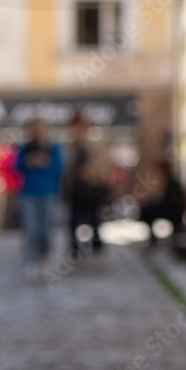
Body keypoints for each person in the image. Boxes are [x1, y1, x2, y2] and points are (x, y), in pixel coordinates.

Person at [15, 118, 63, 276]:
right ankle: (30, 260)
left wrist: (44, 162)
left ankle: (47, 257)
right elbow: (16, 166)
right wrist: (28, 161)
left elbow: (59, 168)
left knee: (46, 227)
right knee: (30, 228)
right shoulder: (25, 147)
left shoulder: (52, 147)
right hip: (28, 193)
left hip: (48, 192)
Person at [64, 111, 110, 260]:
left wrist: (90, 171)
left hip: (92, 189)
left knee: (94, 221)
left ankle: (97, 250)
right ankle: (75, 254)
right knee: (73, 223)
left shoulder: (95, 141)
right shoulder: (70, 144)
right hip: (75, 190)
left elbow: (104, 162)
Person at [138, 159, 186, 246]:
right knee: (148, 208)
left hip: (173, 212)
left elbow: (169, 202)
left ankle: (153, 240)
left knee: (147, 212)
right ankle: (153, 239)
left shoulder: (172, 182)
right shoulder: (170, 180)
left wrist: (152, 203)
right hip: (171, 209)